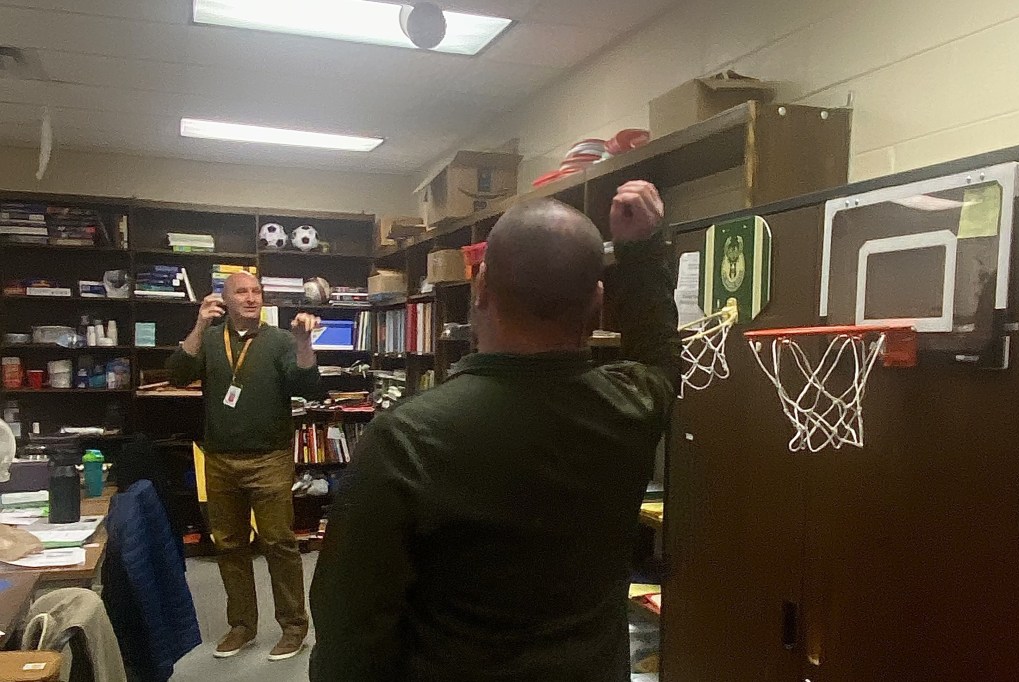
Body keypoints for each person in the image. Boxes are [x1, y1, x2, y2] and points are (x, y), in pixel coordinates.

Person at [309, 180, 679, 681]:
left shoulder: (405, 441)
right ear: (597, 304)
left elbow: (350, 640)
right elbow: (657, 355)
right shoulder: (631, 409)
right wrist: (642, 252)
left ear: (480, 290)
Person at [167, 272, 321, 662]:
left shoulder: (280, 341)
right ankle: (241, 626)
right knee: (230, 546)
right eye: (242, 292)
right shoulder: (212, 339)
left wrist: (303, 342)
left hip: (269, 457)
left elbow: (307, 385)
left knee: (280, 544)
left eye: (256, 291)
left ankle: (293, 628)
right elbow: (177, 372)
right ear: (224, 298)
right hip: (219, 458)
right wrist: (200, 323)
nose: (251, 298)